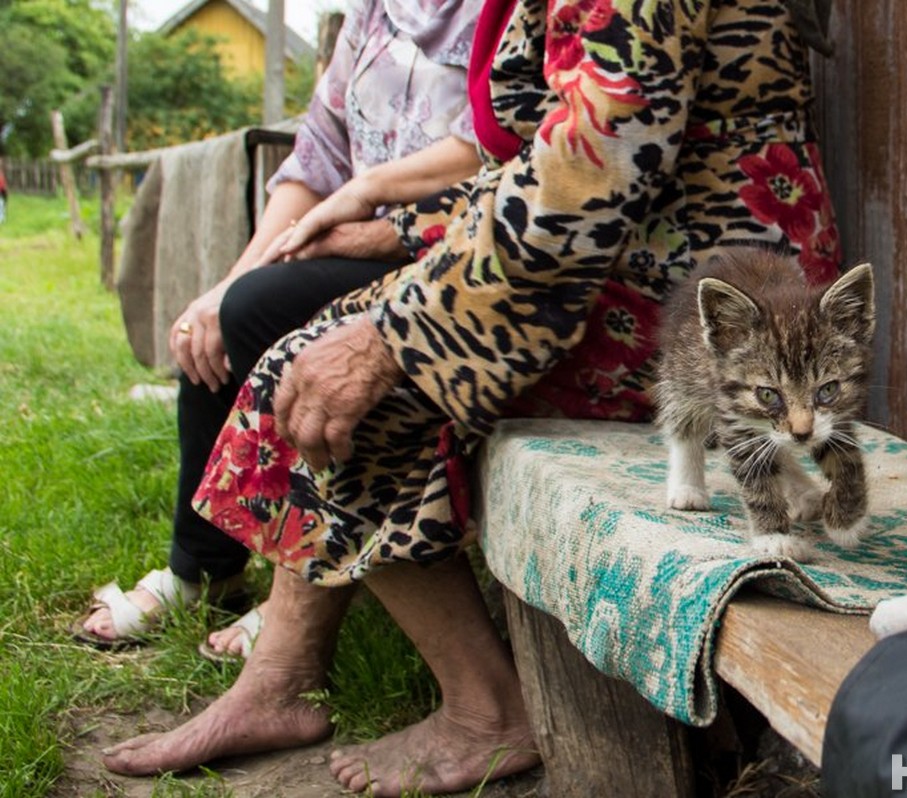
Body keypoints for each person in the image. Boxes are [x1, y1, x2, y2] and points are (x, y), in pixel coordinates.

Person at [100, 0, 843, 793]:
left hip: (712, 310)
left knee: (352, 377)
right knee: (323, 352)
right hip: (642, 259)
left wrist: (396, 337)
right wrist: (398, 238)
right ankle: (281, 678)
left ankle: (485, 708)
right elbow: (546, 161)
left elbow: (597, 163)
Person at [73, 0, 484, 656]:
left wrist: (369, 189)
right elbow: (314, 161)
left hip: (452, 255)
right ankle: (203, 570)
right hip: (348, 236)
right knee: (226, 311)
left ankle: (294, 585)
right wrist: (231, 280)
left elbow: (493, 146)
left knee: (261, 309)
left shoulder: (504, 11)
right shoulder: (378, 11)